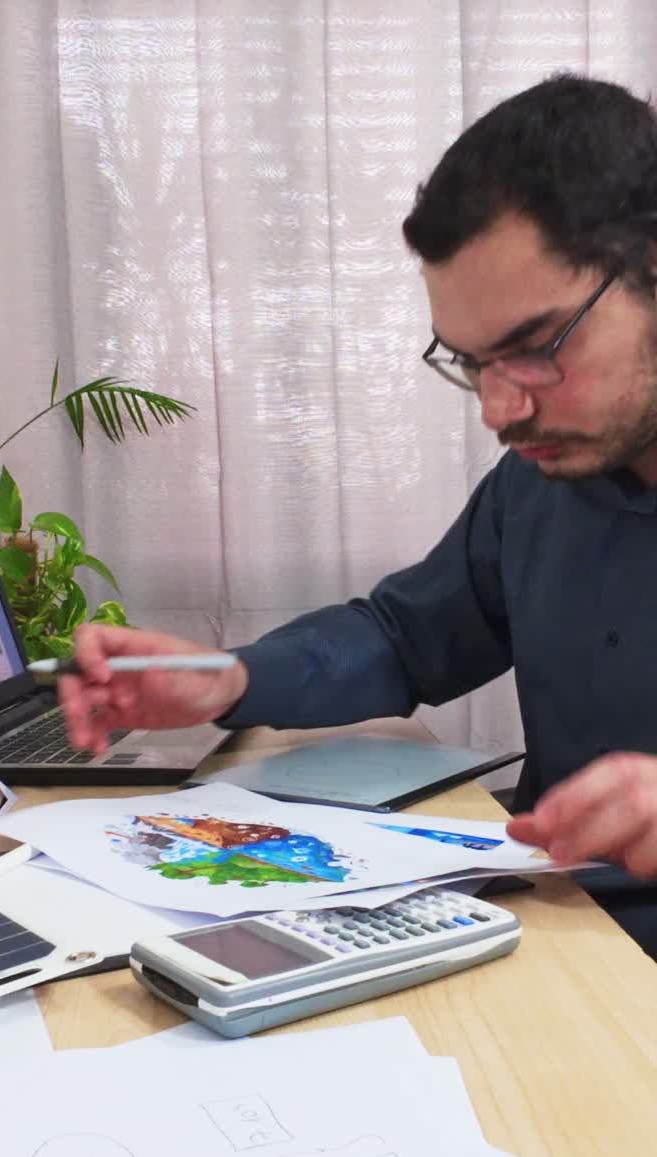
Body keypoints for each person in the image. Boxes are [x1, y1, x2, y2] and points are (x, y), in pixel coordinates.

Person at [61, 73, 657, 957]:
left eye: (533, 351)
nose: (498, 411)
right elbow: (402, 636)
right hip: (554, 942)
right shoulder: (542, 484)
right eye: (469, 362)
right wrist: (231, 680)